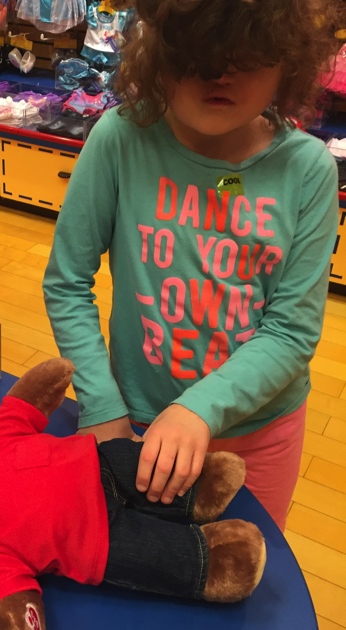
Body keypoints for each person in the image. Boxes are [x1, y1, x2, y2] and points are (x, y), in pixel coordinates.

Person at [43, 0, 342, 531]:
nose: (217, 73)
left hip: (260, 436)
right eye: (194, 53)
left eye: (245, 56)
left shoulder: (307, 171)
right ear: (158, 51)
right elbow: (68, 282)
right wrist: (101, 403)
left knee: (241, 568)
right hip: (132, 419)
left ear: (286, 60)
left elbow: (291, 332)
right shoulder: (119, 139)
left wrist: (199, 408)